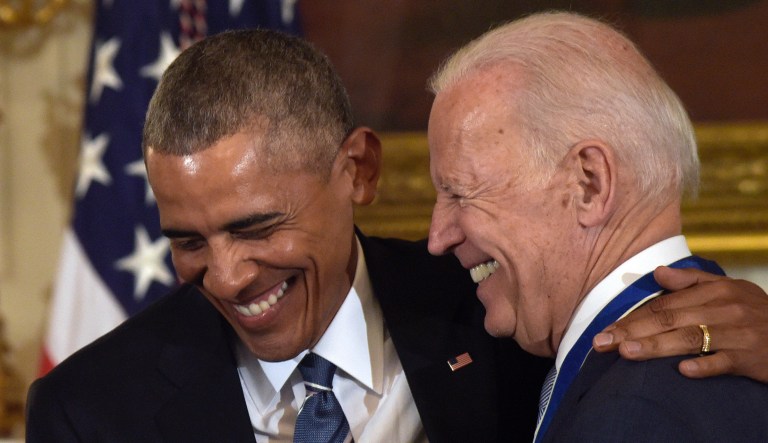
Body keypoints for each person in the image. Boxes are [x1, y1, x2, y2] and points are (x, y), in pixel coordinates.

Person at [26, 27, 767, 443]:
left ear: (358, 169)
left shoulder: (500, 313)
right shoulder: (88, 413)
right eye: (189, 240)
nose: (225, 275)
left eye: (257, 227)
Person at [426, 11, 768, 443]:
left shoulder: (636, 411)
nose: (438, 237)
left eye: (460, 193)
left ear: (589, 184)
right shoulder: (727, 358)